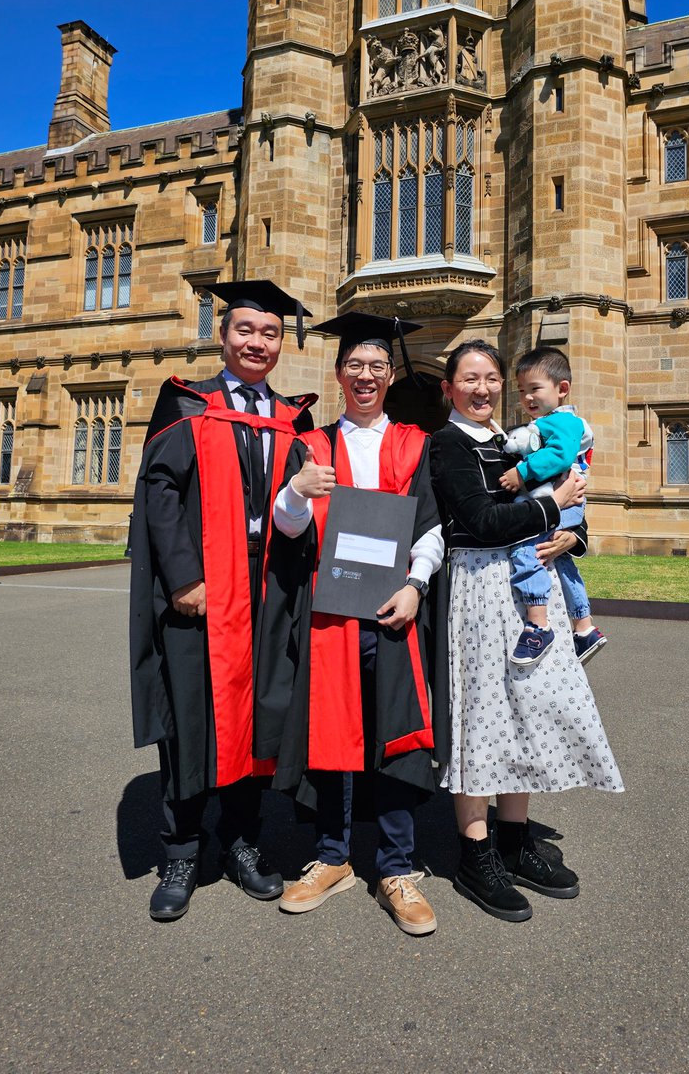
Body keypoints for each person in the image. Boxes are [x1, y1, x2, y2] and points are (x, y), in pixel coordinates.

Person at [129, 279, 317, 922]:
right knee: (190, 719)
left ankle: (241, 841)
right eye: (245, 330)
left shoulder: (295, 416)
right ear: (223, 334)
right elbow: (158, 491)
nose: (257, 342)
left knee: (263, 713)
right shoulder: (187, 404)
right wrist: (182, 578)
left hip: (270, 595)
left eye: (269, 333)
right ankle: (179, 850)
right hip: (203, 594)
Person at [263, 313, 447, 937]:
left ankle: (396, 866)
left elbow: (430, 529)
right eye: (354, 367)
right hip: (332, 616)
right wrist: (295, 491)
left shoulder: (415, 444)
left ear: (390, 376)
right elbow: (286, 532)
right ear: (339, 374)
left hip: (394, 610)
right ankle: (333, 857)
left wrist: (416, 586)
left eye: (376, 367)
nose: (365, 377)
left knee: (396, 732)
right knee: (334, 732)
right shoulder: (310, 446)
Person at [430, 339, 624, 923]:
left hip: (532, 583)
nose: (483, 389)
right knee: (482, 713)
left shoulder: (524, 436)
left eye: (491, 377)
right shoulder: (449, 445)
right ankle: (474, 851)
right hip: (481, 589)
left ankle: (513, 841)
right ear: (450, 388)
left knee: (529, 708)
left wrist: (574, 532)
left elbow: (570, 507)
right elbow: (481, 520)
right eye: (470, 379)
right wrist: (555, 505)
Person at [499, 346, 608, 668]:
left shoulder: (560, 422)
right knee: (560, 562)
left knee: (526, 551)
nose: (527, 398)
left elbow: (560, 457)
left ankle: (537, 625)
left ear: (561, 389)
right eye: (521, 391)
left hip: (562, 498)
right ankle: (584, 627)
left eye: (535, 389)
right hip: (568, 501)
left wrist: (521, 471)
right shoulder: (559, 421)